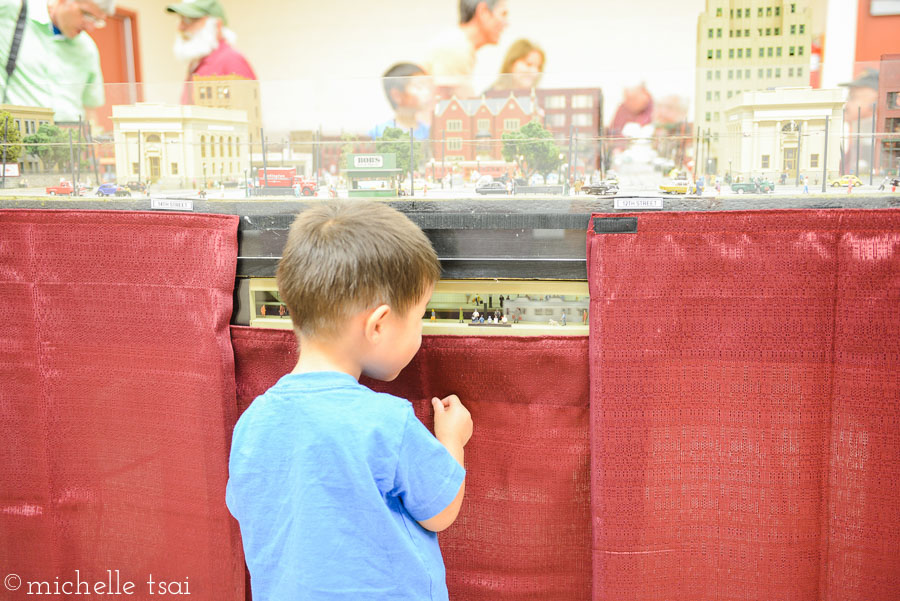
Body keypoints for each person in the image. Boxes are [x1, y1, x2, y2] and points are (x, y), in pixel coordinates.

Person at [226, 201, 472, 601]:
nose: (421, 333)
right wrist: (453, 441)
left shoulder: (252, 422)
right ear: (378, 325)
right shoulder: (387, 422)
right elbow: (440, 511)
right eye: (420, 318)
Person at [0, 0, 113, 122]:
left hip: (70, 136)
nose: (90, 27)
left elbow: (91, 108)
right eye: (86, 14)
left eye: (97, 21)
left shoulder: (88, 49)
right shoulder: (11, 10)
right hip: (16, 134)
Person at [167, 0, 256, 105]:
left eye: (188, 20)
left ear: (217, 25)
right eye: (180, 20)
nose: (180, 28)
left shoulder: (231, 59)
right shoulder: (196, 63)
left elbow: (248, 114)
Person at [425, 0, 509, 98]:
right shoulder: (456, 46)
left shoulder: (460, 44)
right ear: (483, 12)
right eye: (503, 14)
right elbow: (453, 107)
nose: (506, 23)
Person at [369, 62, 434, 141]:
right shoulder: (379, 133)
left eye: (427, 86)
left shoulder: (428, 132)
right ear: (396, 95)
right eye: (419, 87)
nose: (426, 92)